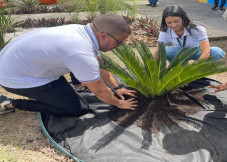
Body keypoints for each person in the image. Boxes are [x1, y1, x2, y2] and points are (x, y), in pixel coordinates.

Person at [0, 13, 138, 116]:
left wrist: (117, 87)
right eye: (119, 42)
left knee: (82, 72)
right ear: (104, 35)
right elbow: (100, 91)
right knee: (76, 109)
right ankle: (9, 103)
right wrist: (119, 103)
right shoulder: (81, 52)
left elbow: (98, 66)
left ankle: (76, 86)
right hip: (16, 78)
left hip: (17, 63)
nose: (119, 46)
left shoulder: (83, 31)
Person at [153, 5, 225, 62]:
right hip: (181, 51)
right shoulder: (165, 31)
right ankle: (178, 70)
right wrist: (150, 72)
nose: (173, 25)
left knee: (216, 52)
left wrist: (193, 69)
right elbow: (157, 51)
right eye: (169, 23)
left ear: (183, 18)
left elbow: (206, 52)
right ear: (165, 22)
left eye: (176, 21)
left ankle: (202, 72)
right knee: (165, 51)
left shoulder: (197, 28)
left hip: (197, 50)